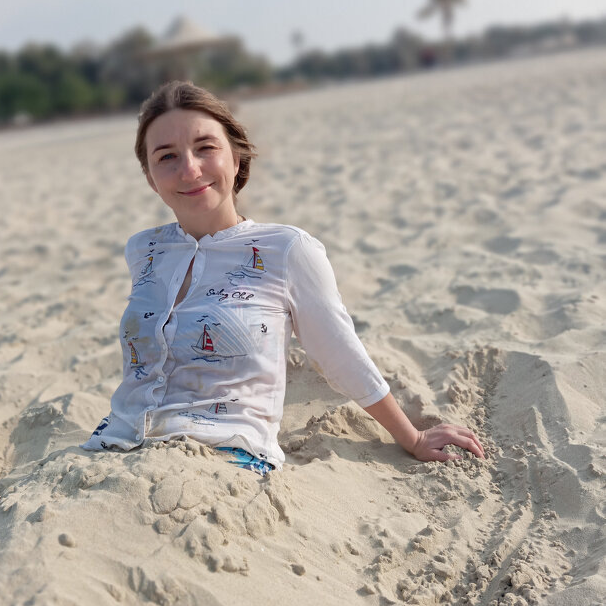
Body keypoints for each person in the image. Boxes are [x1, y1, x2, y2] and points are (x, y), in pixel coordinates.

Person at [83, 81, 485, 474]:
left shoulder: (287, 249)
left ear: (236, 159)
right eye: (167, 156)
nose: (189, 169)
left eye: (206, 148)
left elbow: (340, 353)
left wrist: (413, 437)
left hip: (225, 459)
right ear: (150, 178)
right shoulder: (143, 250)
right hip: (110, 449)